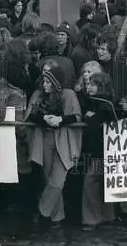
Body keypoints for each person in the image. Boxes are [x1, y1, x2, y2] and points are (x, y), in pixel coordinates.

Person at [25, 66, 82, 228]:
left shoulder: (68, 95)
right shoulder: (38, 95)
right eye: (44, 80)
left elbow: (76, 116)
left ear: (56, 83)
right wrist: (44, 117)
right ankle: (57, 219)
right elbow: (31, 115)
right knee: (48, 178)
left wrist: (60, 119)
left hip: (64, 139)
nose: (44, 84)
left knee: (57, 180)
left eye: (48, 81)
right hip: (45, 139)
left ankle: (42, 210)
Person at [80, 72, 118, 231]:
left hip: (104, 149)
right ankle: (107, 216)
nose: (89, 87)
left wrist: (90, 117)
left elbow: (95, 121)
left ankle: (92, 219)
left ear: (101, 86)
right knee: (101, 182)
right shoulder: (90, 101)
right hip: (97, 148)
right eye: (88, 84)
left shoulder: (105, 103)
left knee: (91, 181)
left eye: (93, 84)